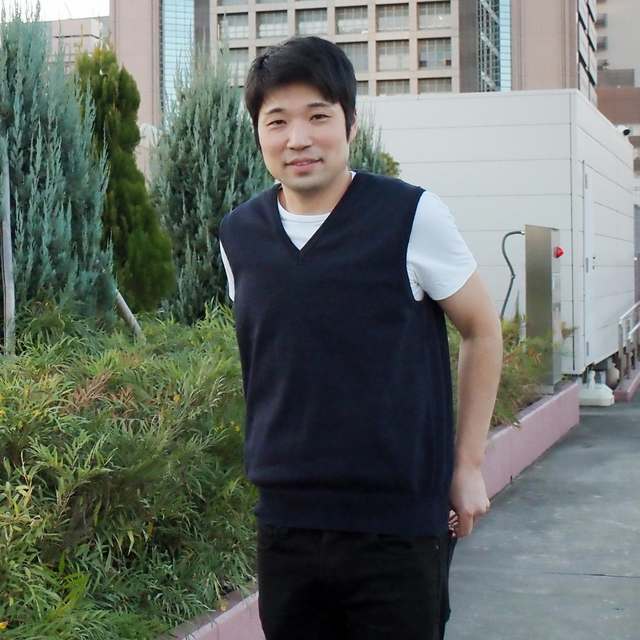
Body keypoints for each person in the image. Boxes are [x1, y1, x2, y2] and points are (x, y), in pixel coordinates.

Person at [219, 36, 503, 640]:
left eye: (318, 116)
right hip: (286, 528)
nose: (298, 138)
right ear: (259, 134)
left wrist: (469, 465)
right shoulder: (238, 235)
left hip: (398, 529)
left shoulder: (410, 216)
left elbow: (482, 329)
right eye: (278, 121)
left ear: (349, 123)